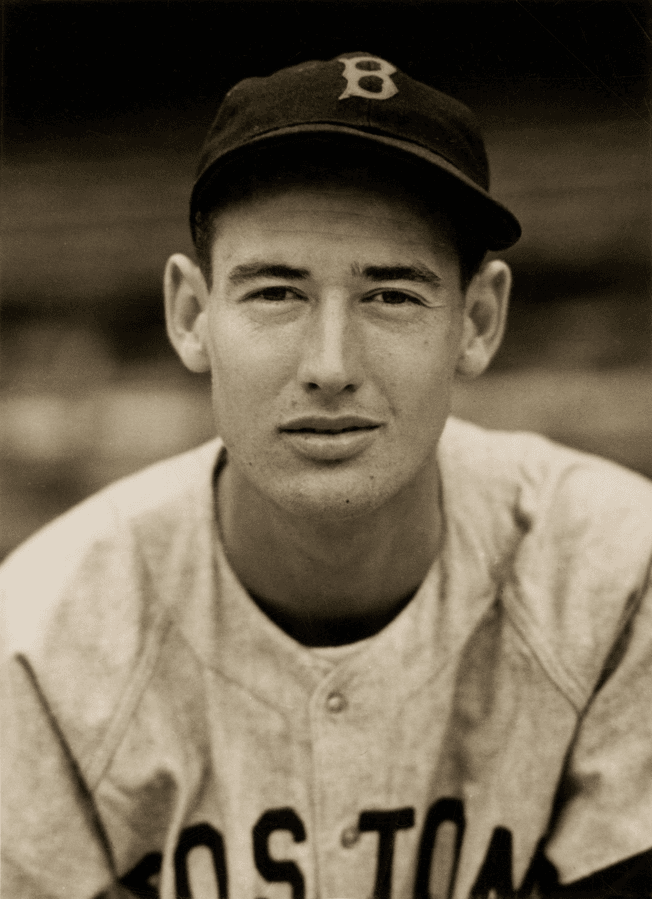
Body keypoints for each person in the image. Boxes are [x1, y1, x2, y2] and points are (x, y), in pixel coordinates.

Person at [2, 52, 651, 899]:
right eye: (276, 292)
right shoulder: (39, 643)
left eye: (392, 295)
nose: (331, 364)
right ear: (192, 316)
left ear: (479, 320)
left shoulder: (620, 577)